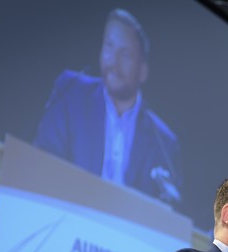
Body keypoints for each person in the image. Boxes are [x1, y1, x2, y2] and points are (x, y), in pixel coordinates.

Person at [33, 8, 182, 205]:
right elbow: (41, 161)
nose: (113, 61)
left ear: (143, 71)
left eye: (125, 54)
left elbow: (169, 211)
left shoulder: (163, 142)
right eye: (109, 47)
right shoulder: (71, 94)